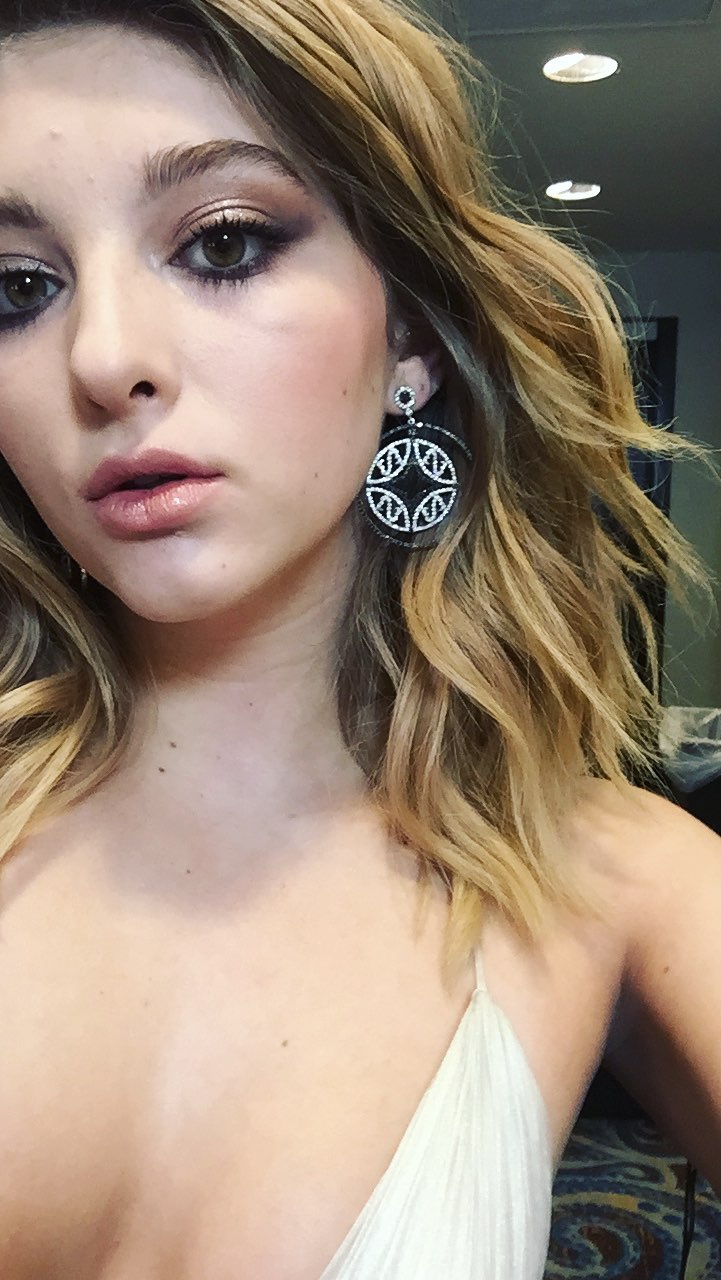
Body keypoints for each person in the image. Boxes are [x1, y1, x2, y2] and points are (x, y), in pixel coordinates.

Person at [0, 1, 719, 1276]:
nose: (104, 358)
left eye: (223, 243)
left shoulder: (620, 880)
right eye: (17, 288)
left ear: (412, 340)